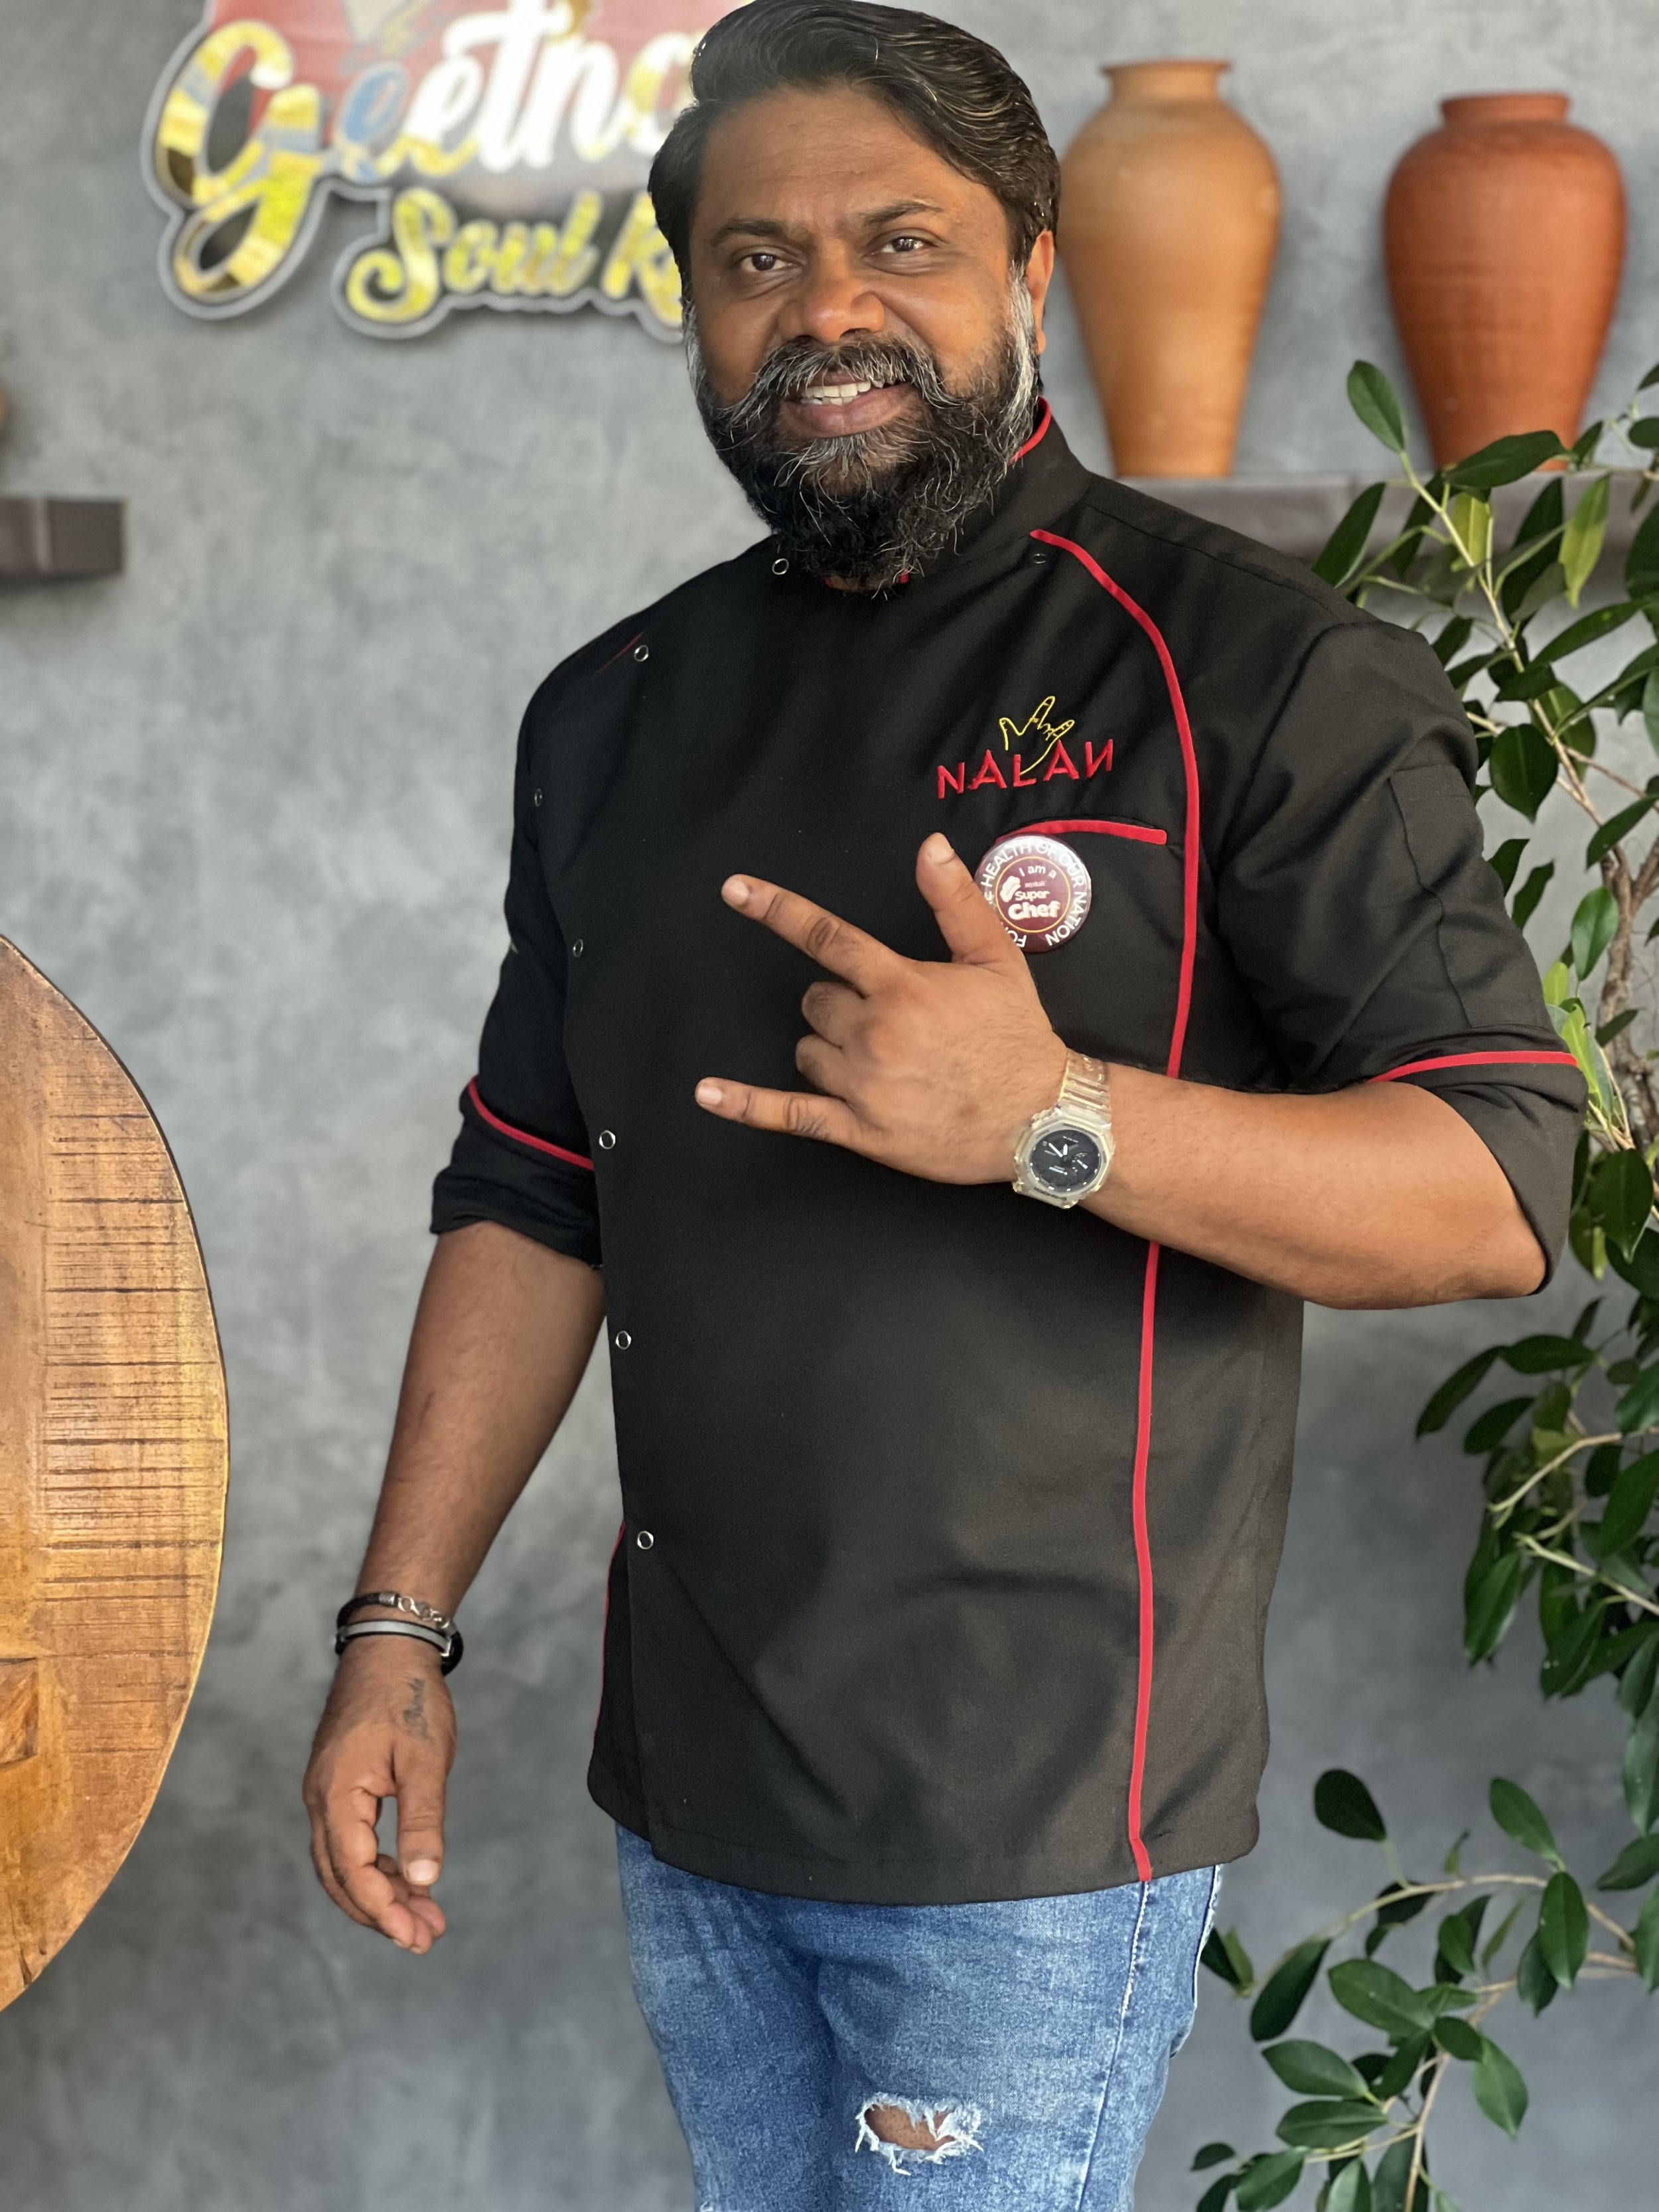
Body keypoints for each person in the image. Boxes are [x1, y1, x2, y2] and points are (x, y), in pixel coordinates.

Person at [302, 5, 1584, 2204]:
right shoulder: (610, 713)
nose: (825, 310)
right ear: (692, 306)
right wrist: (394, 1635)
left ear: (1032, 270)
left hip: (1029, 1811)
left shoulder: (1252, 670)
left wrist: (1053, 1112)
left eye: (899, 240)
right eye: (754, 261)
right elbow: (528, 1193)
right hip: (693, 1781)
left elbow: (1491, 1190)